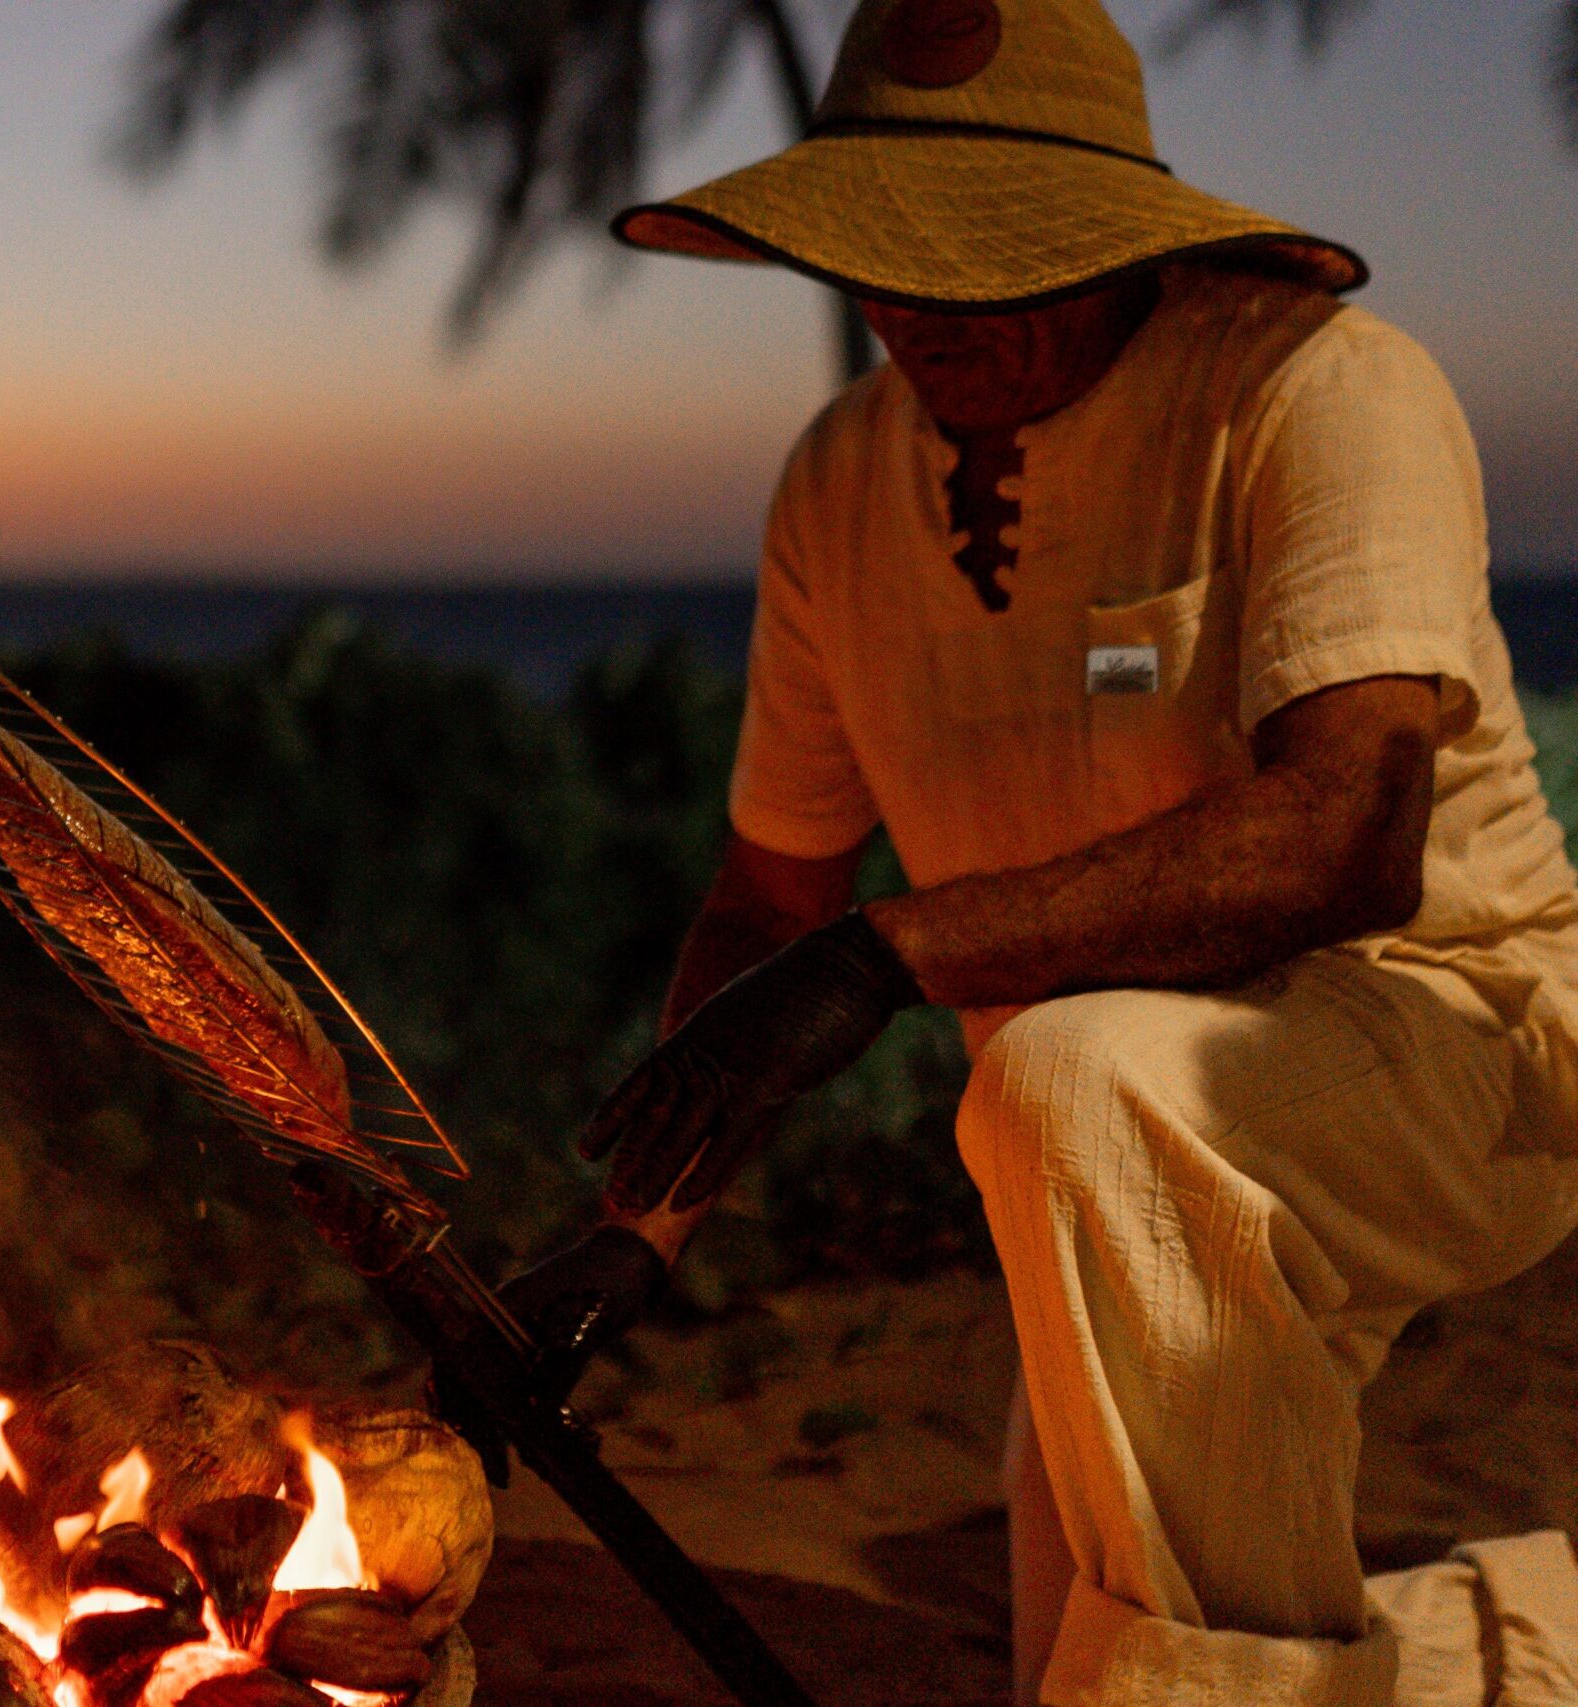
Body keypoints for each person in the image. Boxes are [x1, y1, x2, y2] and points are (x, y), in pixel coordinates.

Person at [498, 1, 1578, 1702]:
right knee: (1094, 1655)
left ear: (1115, 239)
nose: (926, 309)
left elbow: (1348, 834)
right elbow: (773, 894)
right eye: (887, 254)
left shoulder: (1320, 385)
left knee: (1069, 1080)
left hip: (1455, 1041)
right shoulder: (837, 482)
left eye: (990, 258)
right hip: (1109, 1152)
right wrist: (641, 1234)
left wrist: (894, 955)